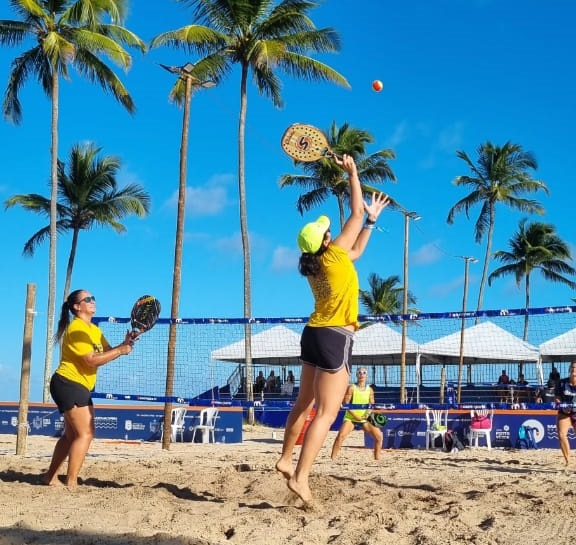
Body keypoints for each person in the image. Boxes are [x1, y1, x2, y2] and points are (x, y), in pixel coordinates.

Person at [275, 153, 390, 505]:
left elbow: (354, 250)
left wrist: (370, 222)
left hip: (312, 333)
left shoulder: (317, 263)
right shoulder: (333, 255)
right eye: (328, 230)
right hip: (334, 337)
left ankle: (285, 457)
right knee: (325, 413)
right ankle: (301, 477)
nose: (331, 230)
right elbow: (354, 213)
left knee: (304, 403)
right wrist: (354, 173)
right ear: (326, 241)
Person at [42, 290, 134, 488]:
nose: (93, 301)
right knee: (86, 433)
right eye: (88, 299)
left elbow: (107, 353)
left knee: (71, 436)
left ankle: (49, 477)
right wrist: (120, 350)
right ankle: (72, 482)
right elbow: (90, 360)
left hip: (74, 385)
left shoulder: (93, 330)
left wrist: (124, 345)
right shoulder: (77, 329)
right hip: (68, 383)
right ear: (77, 307)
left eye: (93, 298)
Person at [331, 367, 383, 460]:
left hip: (364, 417)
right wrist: (356, 416)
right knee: (340, 436)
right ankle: (332, 459)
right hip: (351, 417)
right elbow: (346, 404)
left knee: (379, 436)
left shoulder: (370, 390)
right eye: (359, 372)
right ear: (356, 375)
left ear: (367, 375)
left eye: (364, 372)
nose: (361, 374)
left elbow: (371, 405)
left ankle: (377, 460)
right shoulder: (351, 388)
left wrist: (367, 415)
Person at [554, 361, 576, 467]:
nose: (574, 369)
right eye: (572, 367)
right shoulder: (562, 383)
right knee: (562, 435)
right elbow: (557, 397)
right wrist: (562, 404)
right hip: (565, 412)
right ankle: (568, 461)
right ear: (569, 369)